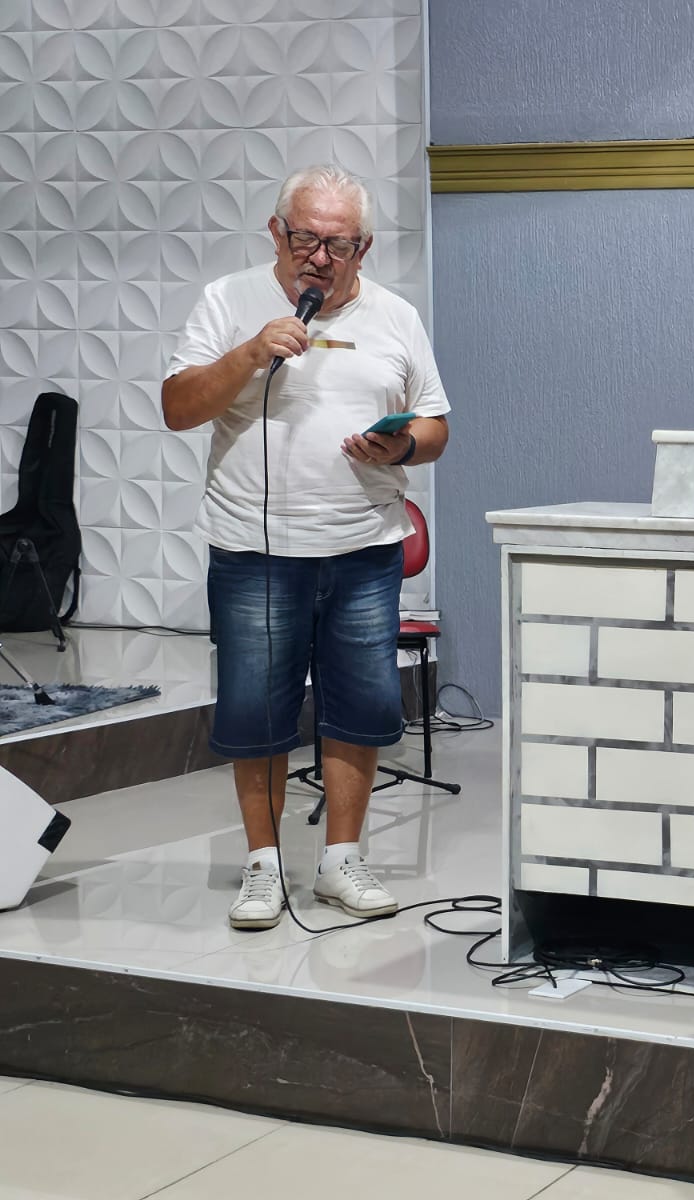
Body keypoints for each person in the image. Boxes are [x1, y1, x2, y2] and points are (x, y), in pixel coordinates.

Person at [162, 165, 451, 929]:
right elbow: (178, 409)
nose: (319, 258)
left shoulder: (396, 316)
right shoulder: (228, 300)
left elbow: (435, 427)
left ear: (364, 249)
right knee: (255, 708)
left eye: (339, 244)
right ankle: (263, 867)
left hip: (363, 548)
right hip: (254, 549)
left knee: (361, 705)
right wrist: (249, 355)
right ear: (276, 232)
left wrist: (402, 447)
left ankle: (340, 860)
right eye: (305, 239)